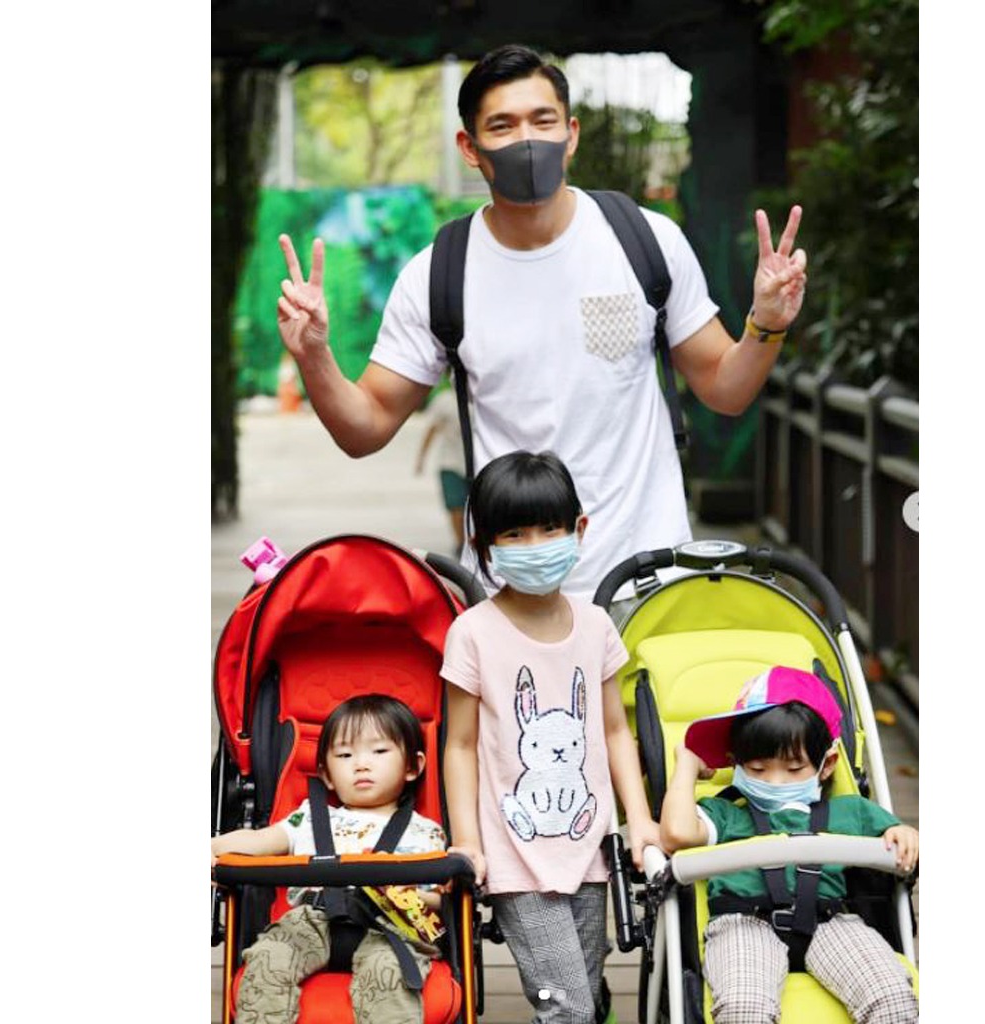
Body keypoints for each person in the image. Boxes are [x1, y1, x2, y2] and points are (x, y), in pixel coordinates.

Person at [274, 43, 808, 596]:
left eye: (542, 120)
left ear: (570, 134)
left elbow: (725, 388)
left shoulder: (644, 241)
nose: (526, 140)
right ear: (470, 147)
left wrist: (765, 323)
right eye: (502, 126)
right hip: (509, 597)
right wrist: (315, 356)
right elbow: (367, 427)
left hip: (647, 585)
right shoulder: (439, 274)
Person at [440, 450, 660, 1024]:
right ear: (484, 545)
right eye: (514, 532)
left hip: (589, 846)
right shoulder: (472, 634)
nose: (536, 545)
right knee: (565, 1005)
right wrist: (468, 839)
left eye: (549, 528)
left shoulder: (596, 626)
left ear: (578, 530)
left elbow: (615, 729)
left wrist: (638, 819)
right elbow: (460, 744)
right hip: (514, 854)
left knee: (585, 987)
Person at [660, 666, 920, 1024]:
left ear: (826, 765)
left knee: (891, 997)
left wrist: (906, 836)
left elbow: (902, 842)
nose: (776, 782)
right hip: (743, 922)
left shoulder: (851, 812)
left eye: (794, 769)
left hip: (831, 920)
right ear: (735, 764)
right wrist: (686, 766)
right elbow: (675, 834)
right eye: (757, 769)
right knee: (743, 1009)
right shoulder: (726, 813)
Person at [211, 694, 447, 1024]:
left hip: (391, 925)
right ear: (327, 775)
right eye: (345, 754)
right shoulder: (309, 817)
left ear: (413, 766)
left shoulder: (425, 832)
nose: (361, 763)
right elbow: (260, 841)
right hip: (311, 919)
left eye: (379, 751)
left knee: (387, 974)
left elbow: (437, 901)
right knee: (267, 959)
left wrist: (406, 894)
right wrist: (212, 847)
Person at [414, 384, 467, 554]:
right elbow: (432, 429)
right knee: (455, 506)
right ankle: (461, 544)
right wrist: (421, 458)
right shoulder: (444, 401)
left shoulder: (483, 398)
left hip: (478, 464)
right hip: (450, 462)